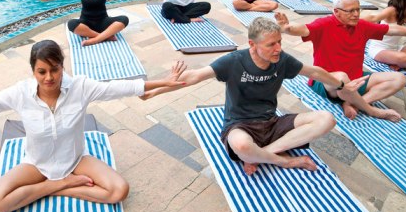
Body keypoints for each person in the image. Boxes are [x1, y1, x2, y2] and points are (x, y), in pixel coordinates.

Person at [0, 40, 184, 212]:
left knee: (119, 190)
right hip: (37, 164)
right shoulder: (20, 93)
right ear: (33, 70)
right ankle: (56, 186)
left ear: (62, 67)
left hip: (75, 161)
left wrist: (165, 81)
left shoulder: (81, 87)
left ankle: (53, 189)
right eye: (41, 71)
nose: (49, 78)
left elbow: (122, 87)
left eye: (54, 70)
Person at [143, 17, 361, 175]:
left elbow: (314, 72)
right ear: (252, 45)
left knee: (327, 119)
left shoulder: (282, 60)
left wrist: (343, 84)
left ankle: (263, 154)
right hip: (240, 125)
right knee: (242, 146)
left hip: (271, 122)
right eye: (271, 44)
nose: (278, 48)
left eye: (279, 42)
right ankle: (283, 161)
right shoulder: (234, 61)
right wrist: (154, 90)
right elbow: (194, 76)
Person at [274, 0, 406, 122]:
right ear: (336, 12)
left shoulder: (362, 25)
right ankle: (372, 110)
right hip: (327, 82)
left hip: (356, 79)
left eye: (358, 9)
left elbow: (392, 29)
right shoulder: (324, 24)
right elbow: (303, 29)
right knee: (341, 77)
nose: (356, 14)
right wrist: (287, 28)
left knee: (400, 79)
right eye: (351, 11)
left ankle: (353, 103)